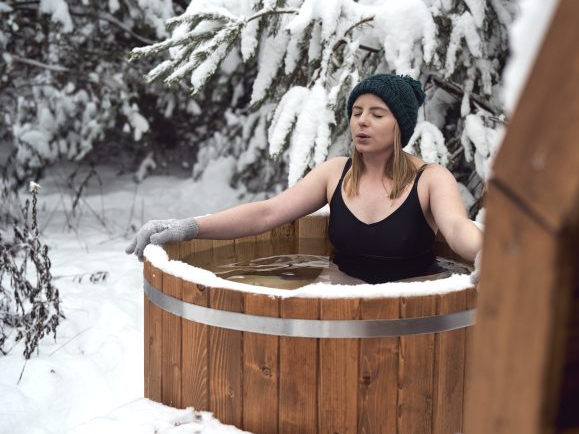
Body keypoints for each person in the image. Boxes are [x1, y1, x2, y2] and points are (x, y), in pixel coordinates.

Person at [126, 74, 482, 284]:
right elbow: (268, 213)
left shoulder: (430, 179)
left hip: (414, 318)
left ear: (400, 127)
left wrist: (491, 254)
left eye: (377, 114)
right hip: (340, 310)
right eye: (357, 112)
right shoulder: (334, 173)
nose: (362, 121)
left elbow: (456, 228)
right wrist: (190, 227)